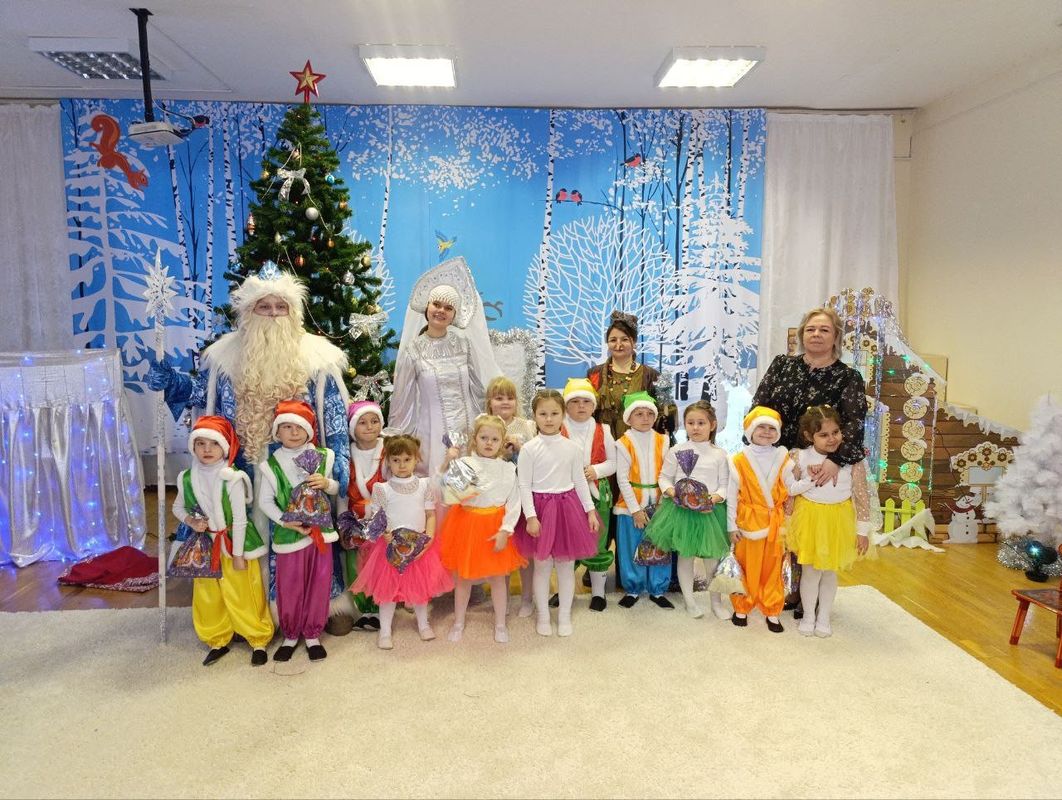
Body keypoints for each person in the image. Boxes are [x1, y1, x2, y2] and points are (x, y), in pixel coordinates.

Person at [146, 263, 353, 631]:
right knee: (245, 537)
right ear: (248, 312)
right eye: (264, 306)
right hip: (242, 467)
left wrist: (339, 469)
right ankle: (251, 614)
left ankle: (322, 608)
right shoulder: (223, 359)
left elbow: (334, 417)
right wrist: (173, 382)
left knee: (305, 541)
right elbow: (201, 394)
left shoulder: (319, 359)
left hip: (299, 473)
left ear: (294, 312)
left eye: (281, 306)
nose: (272, 314)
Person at [751, 306, 867, 616]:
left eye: (824, 330)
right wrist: (758, 450)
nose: (816, 334)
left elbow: (855, 423)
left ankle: (810, 595)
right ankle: (786, 587)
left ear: (836, 337)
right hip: (778, 458)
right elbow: (760, 407)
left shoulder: (848, 377)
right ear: (802, 334)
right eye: (811, 329)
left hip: (821, 465)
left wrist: (835, 460)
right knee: (784, 525)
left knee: (812, 529)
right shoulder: (782, 365)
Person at [173, 416, 273, 666]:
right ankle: (217, 638)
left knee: (244, 592)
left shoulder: (232, 478)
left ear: (225, 447)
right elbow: (178, 507)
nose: (207, 449)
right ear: (193, 446)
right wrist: (191, 521)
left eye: (214, 444)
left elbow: (239, 519)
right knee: (208, 595)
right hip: (205, 547)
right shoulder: (187, 477)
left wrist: (238, 554)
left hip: (232, 544)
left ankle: (258, 639)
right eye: (201, 443)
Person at [388, 257, 501, 476]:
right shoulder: (413, 350)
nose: (441, 310)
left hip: (468, 430)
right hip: (432, 433)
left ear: (454, 315)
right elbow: (403, 402)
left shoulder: (464, 345)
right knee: (438, 485)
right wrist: (397, 439)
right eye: (437, 304)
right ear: (427, 307)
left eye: (448, 307)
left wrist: (486, 427)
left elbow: (477, 391)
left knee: (470, 486)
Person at [513, 389, 601, 637]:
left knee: (566, 566)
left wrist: (590, 511)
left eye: (554, 413)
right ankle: (543, 615)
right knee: (542, 567)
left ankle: (564, 615)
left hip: (567, 510)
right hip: (540, 511)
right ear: (534, 416)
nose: (549, 419)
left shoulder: (572, 448)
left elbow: (580, 481)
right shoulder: (529, 449)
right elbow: (524, 485)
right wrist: (531, 516)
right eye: (543, 414)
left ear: (563, 415)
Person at [352, 435, 453, 650]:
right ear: (388, 461)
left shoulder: (424, 484)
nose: (402, 465)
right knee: (387, 591)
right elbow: (378, 518)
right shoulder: (382, 488)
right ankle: (385, 630)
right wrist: (385, 533)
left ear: (416, 459)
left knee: (419, 588)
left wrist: (429, 538)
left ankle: (423, 624)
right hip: (390, 548)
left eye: (407, 459)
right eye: (396, 460)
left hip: (419, 545)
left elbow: (430, 514)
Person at [257, 400, 339, 663]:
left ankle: (313, 635)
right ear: (277, 432)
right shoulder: (272, 465)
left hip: (320, 534)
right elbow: (265, 502)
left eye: (299, 427)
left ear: (309, 430)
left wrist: (327, 483)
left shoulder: (323, 456)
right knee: (290, 586)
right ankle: (290, 635)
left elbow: (335, 490)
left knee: (319, 583)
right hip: (289, 537)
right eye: (287, 427)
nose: (294, 432)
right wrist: (285, 522)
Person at [438, 415, 526, 644]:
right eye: (484, 437)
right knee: (463, 578)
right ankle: (459, 622)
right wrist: (448, 465)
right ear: (475, 439)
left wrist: (505, 530)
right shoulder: (465, 463)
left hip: (495, 526)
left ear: (502, 442)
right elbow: (448, 496)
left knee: (497, 579)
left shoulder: (507, 469)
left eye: (495, 439)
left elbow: (514, 502)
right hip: (466, 526)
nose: (489, 443)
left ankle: (500, 623)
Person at [785, 405, 873, 637]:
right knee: (811, 571)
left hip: (838, 520)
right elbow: (789, 493)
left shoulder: (852, 460)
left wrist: (862, 531)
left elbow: (862, 497)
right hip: (808, 519)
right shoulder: (799, 457)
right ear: (809, 436)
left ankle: (824, 616)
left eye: (836, 432)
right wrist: (787, 525)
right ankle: (808, 615)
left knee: (829, 571)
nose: (831, 439)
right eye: (823, 435)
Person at [646, 401, 730, 620]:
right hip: (681, 512)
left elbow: (724, 485)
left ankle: (716, 602)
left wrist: (713, 498)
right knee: (685, 557)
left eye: (701, 423)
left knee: (712, 560)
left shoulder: (720, 454)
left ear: (712, 425)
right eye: (690, 423)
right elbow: (664, 477)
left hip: (710, 513)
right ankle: (689, 601)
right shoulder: (677, 450)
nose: (695, 427)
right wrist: (672, 491)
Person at [726, 406, 791, 633]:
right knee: (746, 566)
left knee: (773, 567)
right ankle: (742, 605)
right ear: (750, 431)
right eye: (760, 427)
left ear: (778, 432)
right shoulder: (739, 460)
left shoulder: (784, 458)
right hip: (748, 522)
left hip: (775, 523)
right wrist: (731, 526)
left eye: (771, 428)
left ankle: (772, 607)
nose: (766, 432)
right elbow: (732, 495)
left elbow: (791, 490)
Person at [559, 377, 616, 612]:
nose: (581, 406)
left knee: (597, 541)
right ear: (566, 406)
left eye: (586, 401)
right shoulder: (558, 429)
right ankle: (565, 592)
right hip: (566, 495)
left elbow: (613, 463)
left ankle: (598, 593)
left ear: (593, 405)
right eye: (575, 401)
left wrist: (596, 470)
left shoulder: (604, 430)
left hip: (597, 495)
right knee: (566, 542)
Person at [613, 391, 673, 610]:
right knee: (632, 546)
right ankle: (633, 588)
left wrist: (663, 501)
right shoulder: (623, 443)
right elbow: (622, 478)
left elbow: (668, 473)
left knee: (660, 545)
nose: (645, 418)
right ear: (629, 418)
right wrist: (636, 510)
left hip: (660, 504)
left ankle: (658, 589)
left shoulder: (663, 441)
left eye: (649, 413)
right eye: (639, 414)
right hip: (631, 506)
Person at [485, 376, 538, 615]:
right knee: (503, 548)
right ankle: (502, 598)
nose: (505, 402)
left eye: (510, 398)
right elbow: (478, 456)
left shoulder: (527, 426)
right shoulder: (484, 424)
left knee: (525, 550)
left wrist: (520, 448)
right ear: (489, 402)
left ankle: (527, 598)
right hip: (498, 497)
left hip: (524, 493)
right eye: (499, 398)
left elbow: (537, 457)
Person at [340, 400, 386, 632]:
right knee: (356, 564)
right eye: (363, 422)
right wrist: (343, 522)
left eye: (374, 421)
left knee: (379, 563)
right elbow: (342, 491)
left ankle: (381, 609)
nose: (369, 427)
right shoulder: (346, 455)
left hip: (382, 519)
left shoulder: (388, 450)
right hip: (355, 519)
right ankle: (364, 610)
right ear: (352, 428)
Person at [586, 311, 663, 440]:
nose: (618, 345)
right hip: (602, 444)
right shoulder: (594, 374)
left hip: (639, 445)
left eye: (624, 339)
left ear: (634, 342)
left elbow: (663, 417)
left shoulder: (651, 375)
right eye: (613, 340)